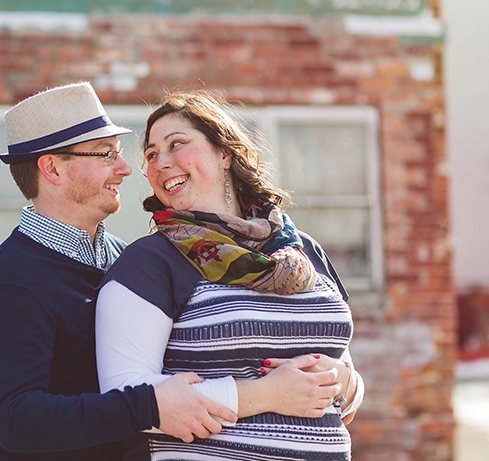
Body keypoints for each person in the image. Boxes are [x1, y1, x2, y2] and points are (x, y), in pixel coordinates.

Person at [0, 82, 239, 461]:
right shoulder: (12, 281)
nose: (126, 168)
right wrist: (150, 407)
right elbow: (18, 421)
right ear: (52, 168)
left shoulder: (123, 258)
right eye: (106, 154)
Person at [95, 89, 365, 460]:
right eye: (152, 155)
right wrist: (267, 394)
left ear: (225, 154)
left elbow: (346, 376)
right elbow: (125, 398)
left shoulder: (301, 250)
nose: (161, 163)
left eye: (177, 144)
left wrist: (344, 381)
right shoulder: (150, 262)